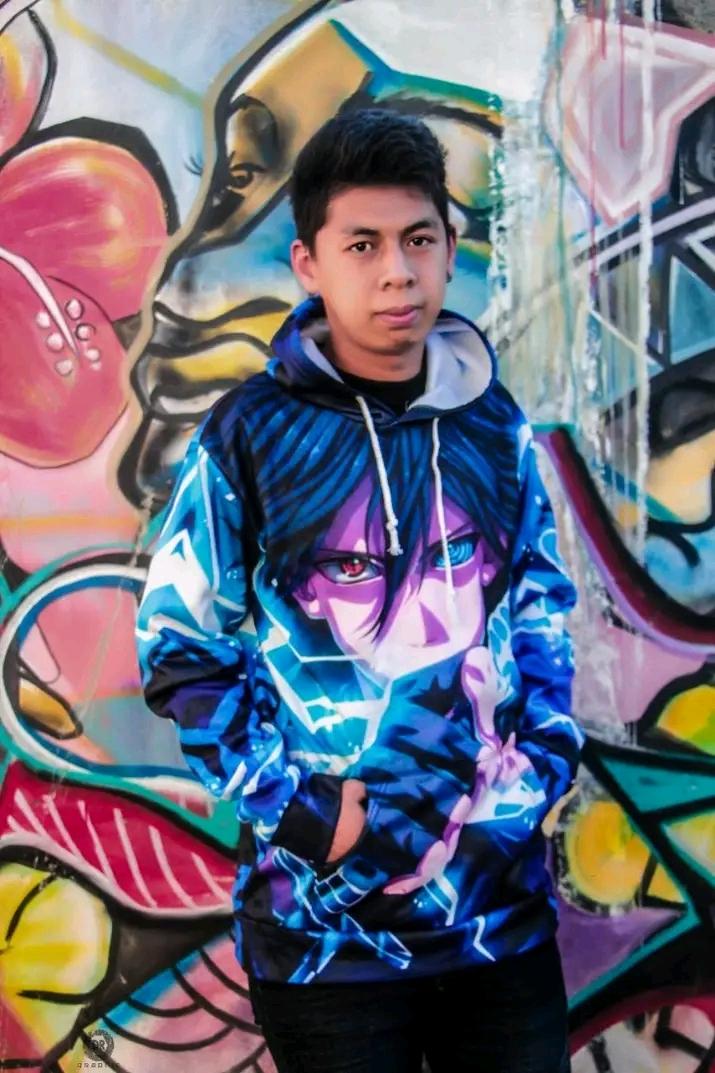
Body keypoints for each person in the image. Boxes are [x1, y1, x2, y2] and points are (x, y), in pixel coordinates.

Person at [136, 108, 582, 1073]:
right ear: (308, 263)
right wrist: (304, 815)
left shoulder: (491, 423)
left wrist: (535, 769)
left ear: (449, 249)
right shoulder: (250, 437)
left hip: (499, 922)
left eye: (419, 240)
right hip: (322, 944)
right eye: (363, 245)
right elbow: (180, 647)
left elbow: (538, 601)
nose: (397, 273)